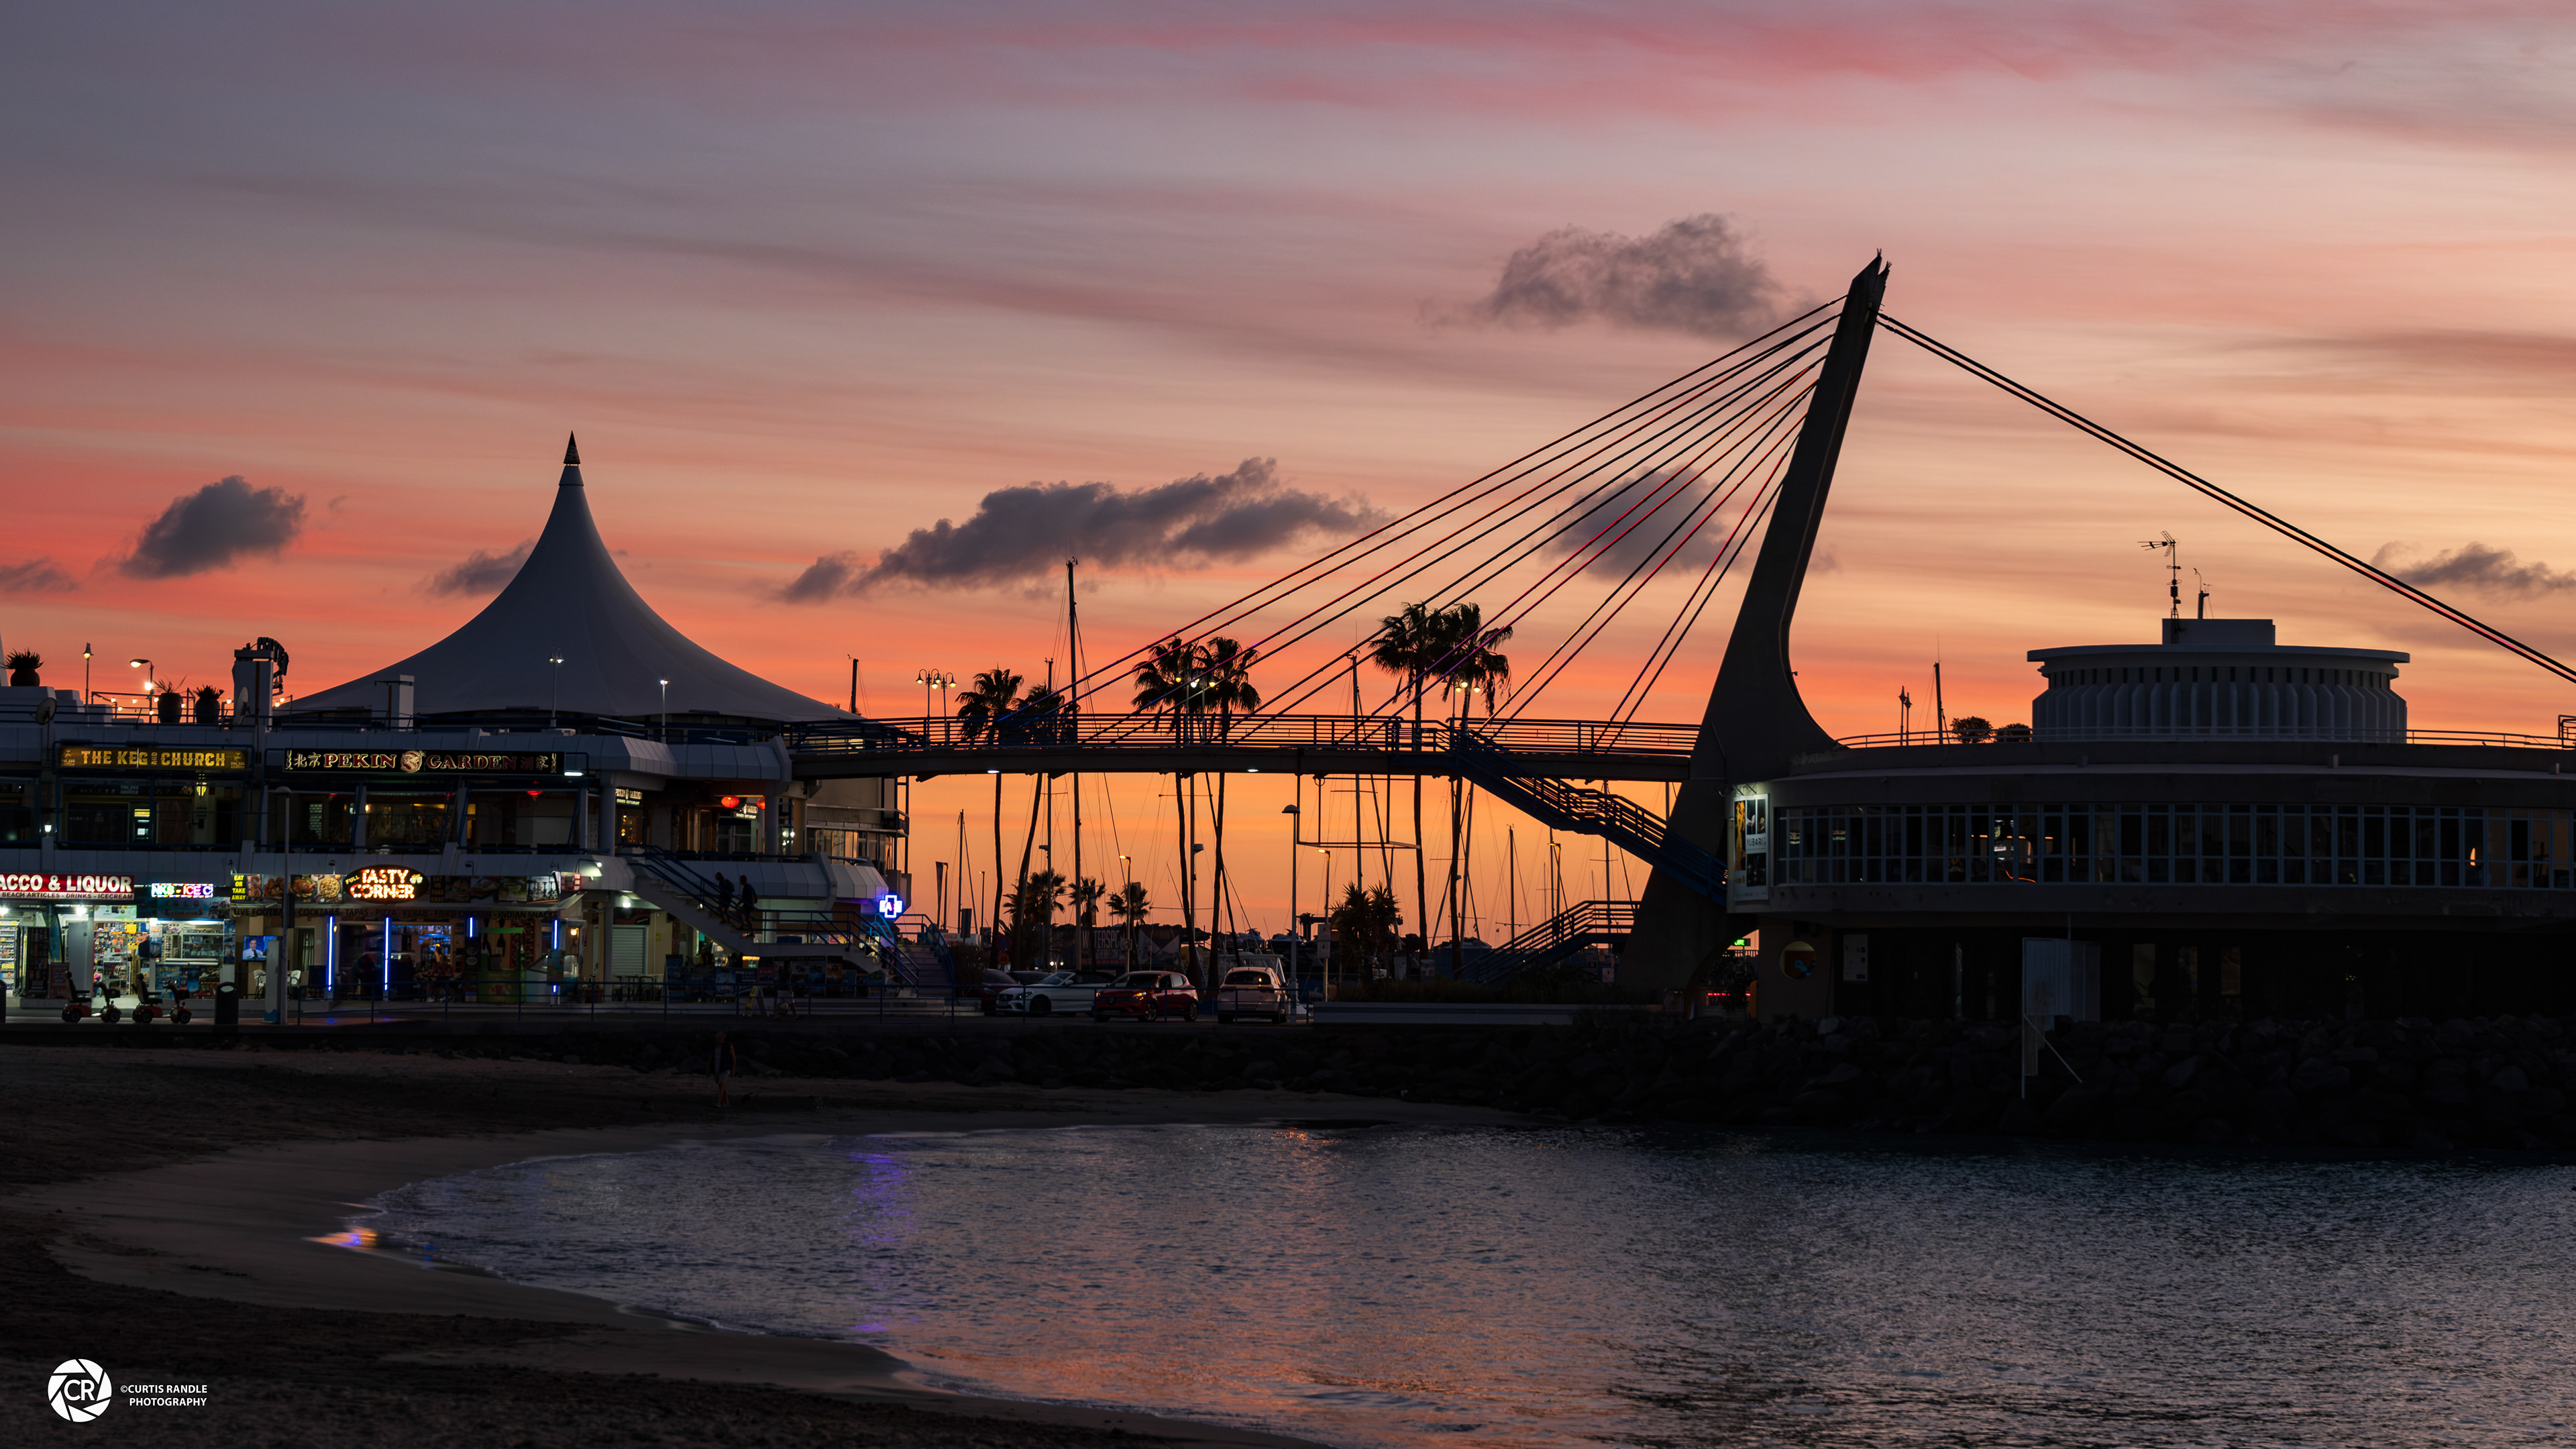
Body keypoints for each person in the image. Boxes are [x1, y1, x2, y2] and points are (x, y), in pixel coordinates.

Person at [712, 1030, 737, 1106]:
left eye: (720, 1038)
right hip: (717, 1068)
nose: (718, 1040)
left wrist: (733, 1070)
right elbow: (712, 1057)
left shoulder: (729, 1046)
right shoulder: (715, 1046)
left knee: (721, 1085)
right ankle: (726, 1101)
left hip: (725, 1069)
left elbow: (734, 1058)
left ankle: (719, 1102)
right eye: (717, 1038)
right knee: (722, 1085)